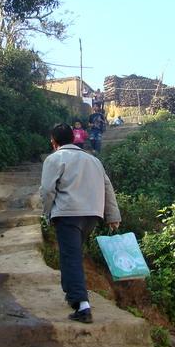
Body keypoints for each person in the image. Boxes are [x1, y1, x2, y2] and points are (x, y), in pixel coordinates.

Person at [40, 123, 121, 324]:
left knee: (71, 257)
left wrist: (47, 213)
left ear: (54, 141)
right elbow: (107, 187)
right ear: (74, 138)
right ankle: (72, 294)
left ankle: (82, 305)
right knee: (73, 254)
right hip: (92, 215)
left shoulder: (54, 158)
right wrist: (113, 216)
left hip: (68, 214)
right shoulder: (93, 160)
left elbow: (47, 190)